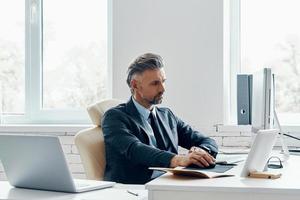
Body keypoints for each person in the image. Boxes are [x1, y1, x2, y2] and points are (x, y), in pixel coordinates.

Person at [102, 53, 218, 184]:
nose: (163, 89)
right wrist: (179, 160)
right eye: (155, 83)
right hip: (134, 191)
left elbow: (206, 141)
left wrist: (202, 152)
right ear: (135, 85)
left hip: (168, 187)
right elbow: (135, 149)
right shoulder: (114, 117)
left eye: (163, 81)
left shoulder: (167, 115)